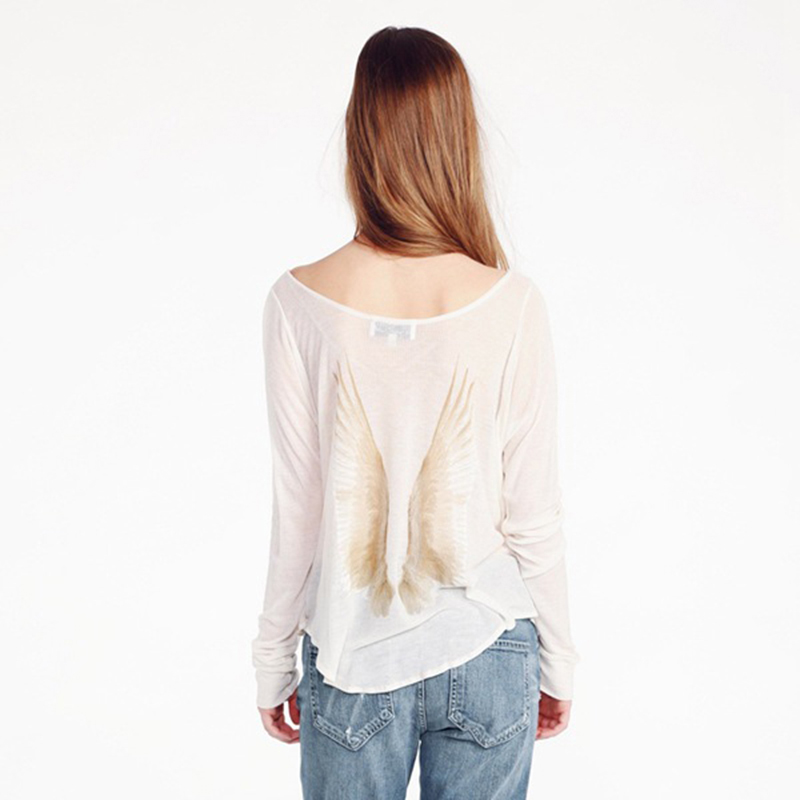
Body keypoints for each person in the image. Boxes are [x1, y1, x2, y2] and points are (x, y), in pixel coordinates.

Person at [251, 25, 580, 799]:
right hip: (490, 644)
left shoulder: (299, 302)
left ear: (359, 135)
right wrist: (560, 659)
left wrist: (271, 657)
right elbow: (533, 513)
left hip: (353, 653)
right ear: (456, 138)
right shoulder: (510, 302)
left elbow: (299, 509)